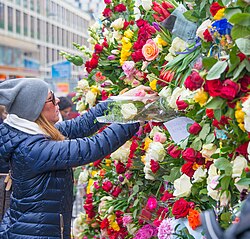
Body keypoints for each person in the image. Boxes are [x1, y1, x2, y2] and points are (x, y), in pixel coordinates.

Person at [0, 78, 153, 239]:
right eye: (51, 98)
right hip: (33, 234)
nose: (57, 100)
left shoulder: (34, 133)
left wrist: (123, 101)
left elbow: (81, 125)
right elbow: (93, 147)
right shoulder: (33, 149)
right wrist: (134, 116)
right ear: (35, 109)